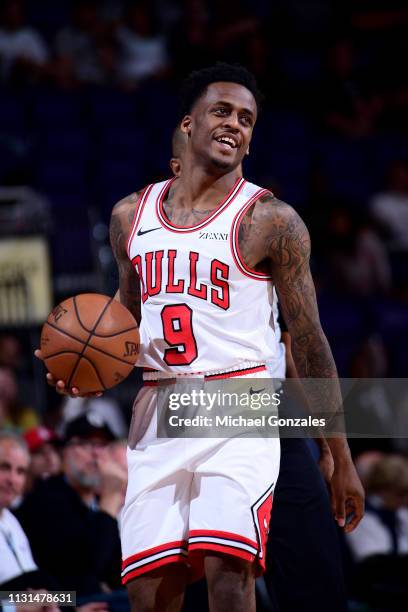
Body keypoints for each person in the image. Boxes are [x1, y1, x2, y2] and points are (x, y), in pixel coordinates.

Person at [37, 63, 364, 612]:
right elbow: (125, 319)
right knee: (148, 594)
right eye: (222, 111)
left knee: (228, 574)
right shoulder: (128, 216)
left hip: (243, 402)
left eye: (247, 118)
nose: (235, 124)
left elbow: (309, 340)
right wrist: (87, 366)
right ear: (187, 125)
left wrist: (340, 453)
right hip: (160, 408)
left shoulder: (271, 220)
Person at [16, 413, 125, 597]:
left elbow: (115, 574)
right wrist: (110, 499)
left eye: (102, 445)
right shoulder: (46, 498)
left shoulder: (97, 503)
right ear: (64, 452)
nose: (95, 453)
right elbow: (84, 569)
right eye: (84, 444)